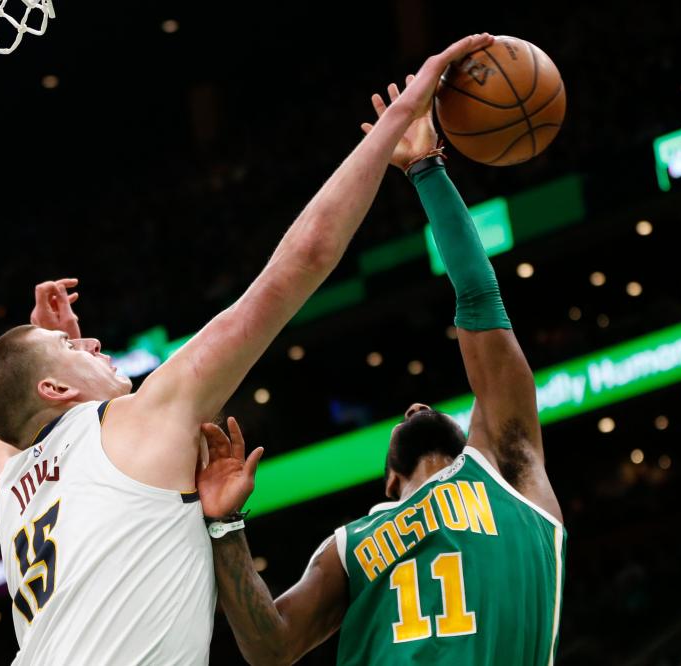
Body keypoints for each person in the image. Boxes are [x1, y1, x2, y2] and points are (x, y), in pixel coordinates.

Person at [0, 33, 496, 666]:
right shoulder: (139, 419)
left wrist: (47, 350)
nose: (93, 339)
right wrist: (398, 121)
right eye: (72, 347)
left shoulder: (12, 490)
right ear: (54, 390)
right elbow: (300, 263)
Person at [196, 71, 566, 665]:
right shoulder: (347, 548)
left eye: (427, 409)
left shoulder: (509, 467)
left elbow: (479, 297)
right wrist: (224, 526)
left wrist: (427, 170)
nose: (417, 405)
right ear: (388, 484)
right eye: (416, 410)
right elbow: (272, 647)